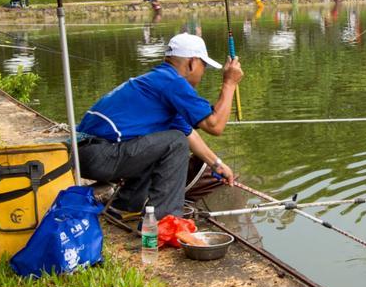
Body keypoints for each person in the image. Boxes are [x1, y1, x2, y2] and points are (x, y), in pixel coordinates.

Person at [76, 33, 244, 221]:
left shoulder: (158, 80)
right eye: (203, 66)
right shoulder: (173, 83)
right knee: (175, 142)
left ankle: (125, 206)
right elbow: (215, 125)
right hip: (100, 154)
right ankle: (165, 221)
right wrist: (229, 84)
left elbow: (187, 133)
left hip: (84, 154)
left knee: (169, 139)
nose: (203, 72)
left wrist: (217, 164)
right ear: (192, 63)